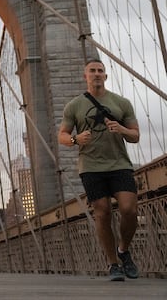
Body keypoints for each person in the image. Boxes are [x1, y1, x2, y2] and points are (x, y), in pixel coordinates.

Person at [59, 58, 140, 281]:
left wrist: (121, 128)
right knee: (102, 211)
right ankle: (114, 264)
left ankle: (124, 249)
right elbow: (62, 136)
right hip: (91, 167)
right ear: (85, 76)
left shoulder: (121, 103)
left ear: (106, 76)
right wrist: (76, 140)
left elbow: (135, 135)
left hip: (119, 164)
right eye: (92, 71)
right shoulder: (74, 106)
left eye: (100, 71)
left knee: (129, 210)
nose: (96, 74)